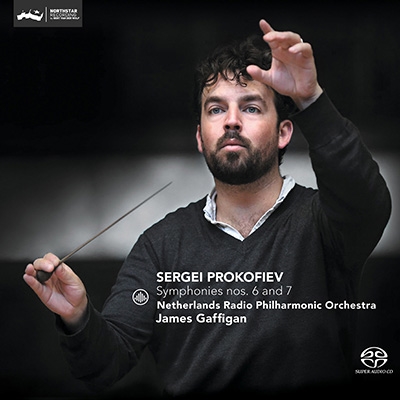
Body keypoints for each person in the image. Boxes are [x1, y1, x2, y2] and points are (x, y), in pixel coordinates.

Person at [24, 19, 391, 397]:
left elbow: (367, 199)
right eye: (216, 109)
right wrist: (79, 316)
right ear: (201, 137)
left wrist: (311, 99)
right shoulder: (160, 246)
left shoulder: (325, 224)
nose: (231, 121)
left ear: (283, 132)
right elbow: (104, 365)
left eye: (251, 108)